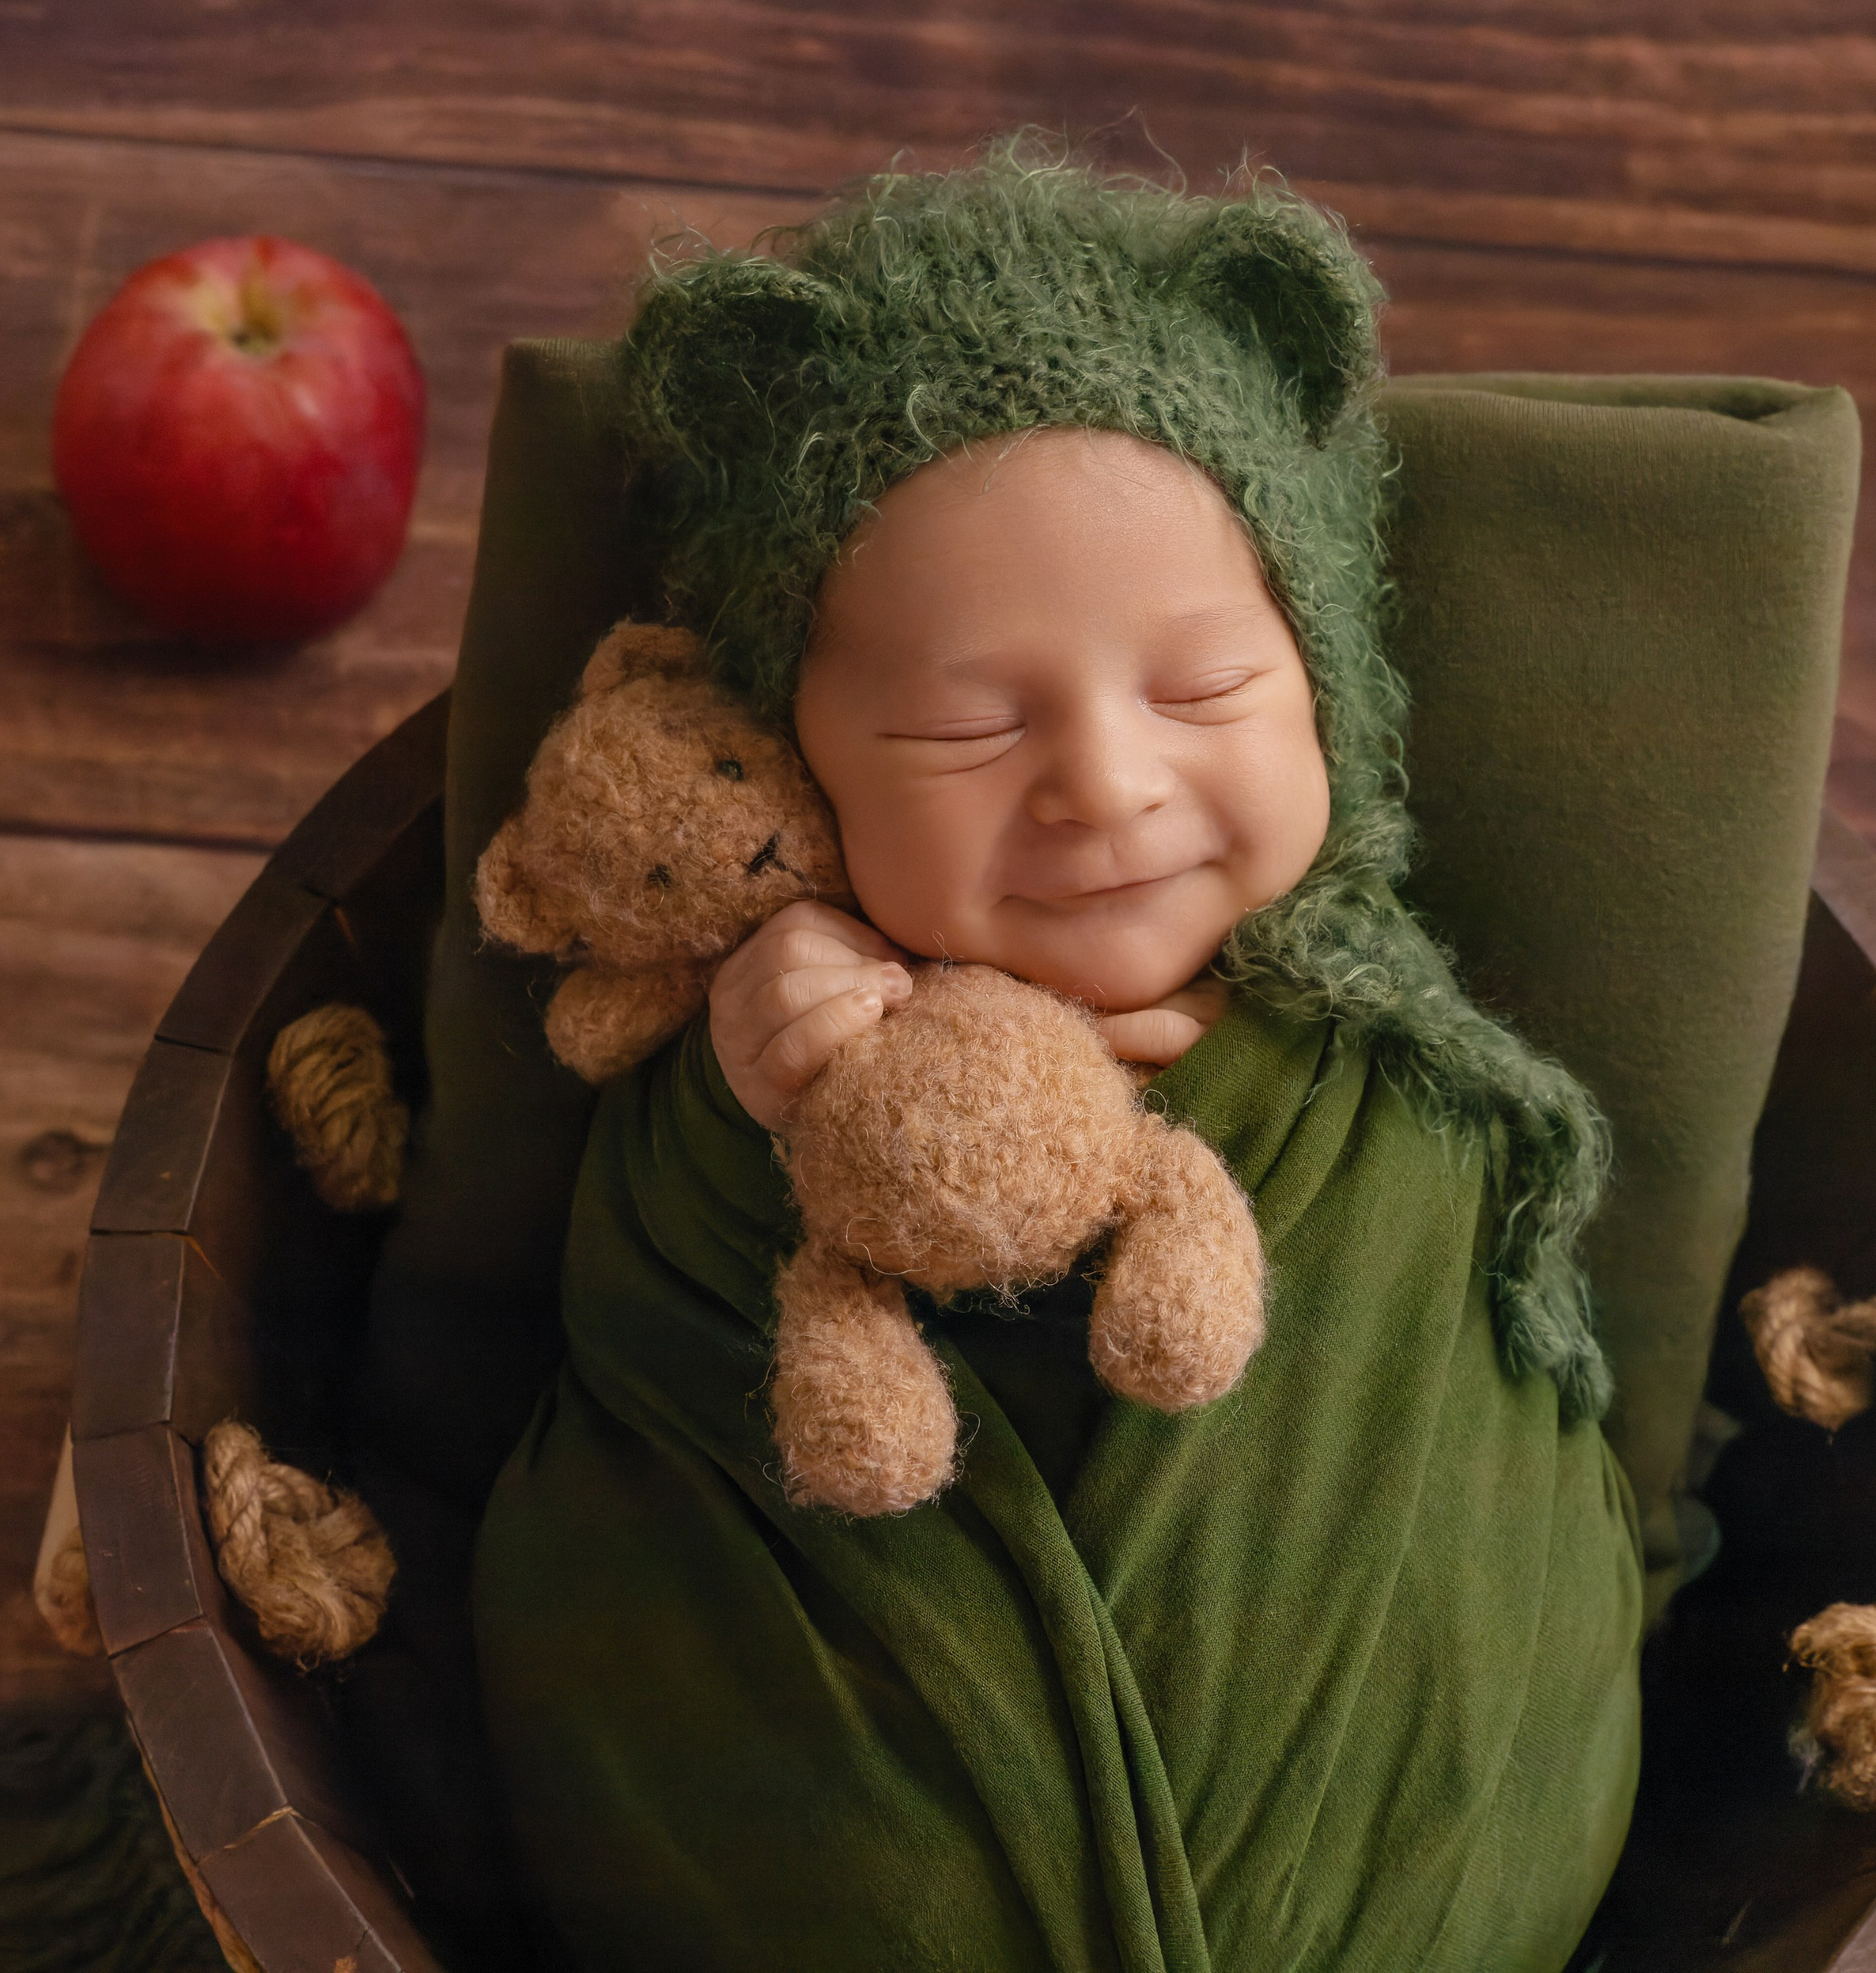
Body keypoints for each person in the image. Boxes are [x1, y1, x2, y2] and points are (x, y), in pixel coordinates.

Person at [473, 142, 1642, 1971]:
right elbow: (646, 1330)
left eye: (1202, 692)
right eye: (963, 719)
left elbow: (1481, 1378)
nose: (1104, 780)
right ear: (798, 759)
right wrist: (737, 1104)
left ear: (1325, 685)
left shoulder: (1390, 1061)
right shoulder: (785, 1011)